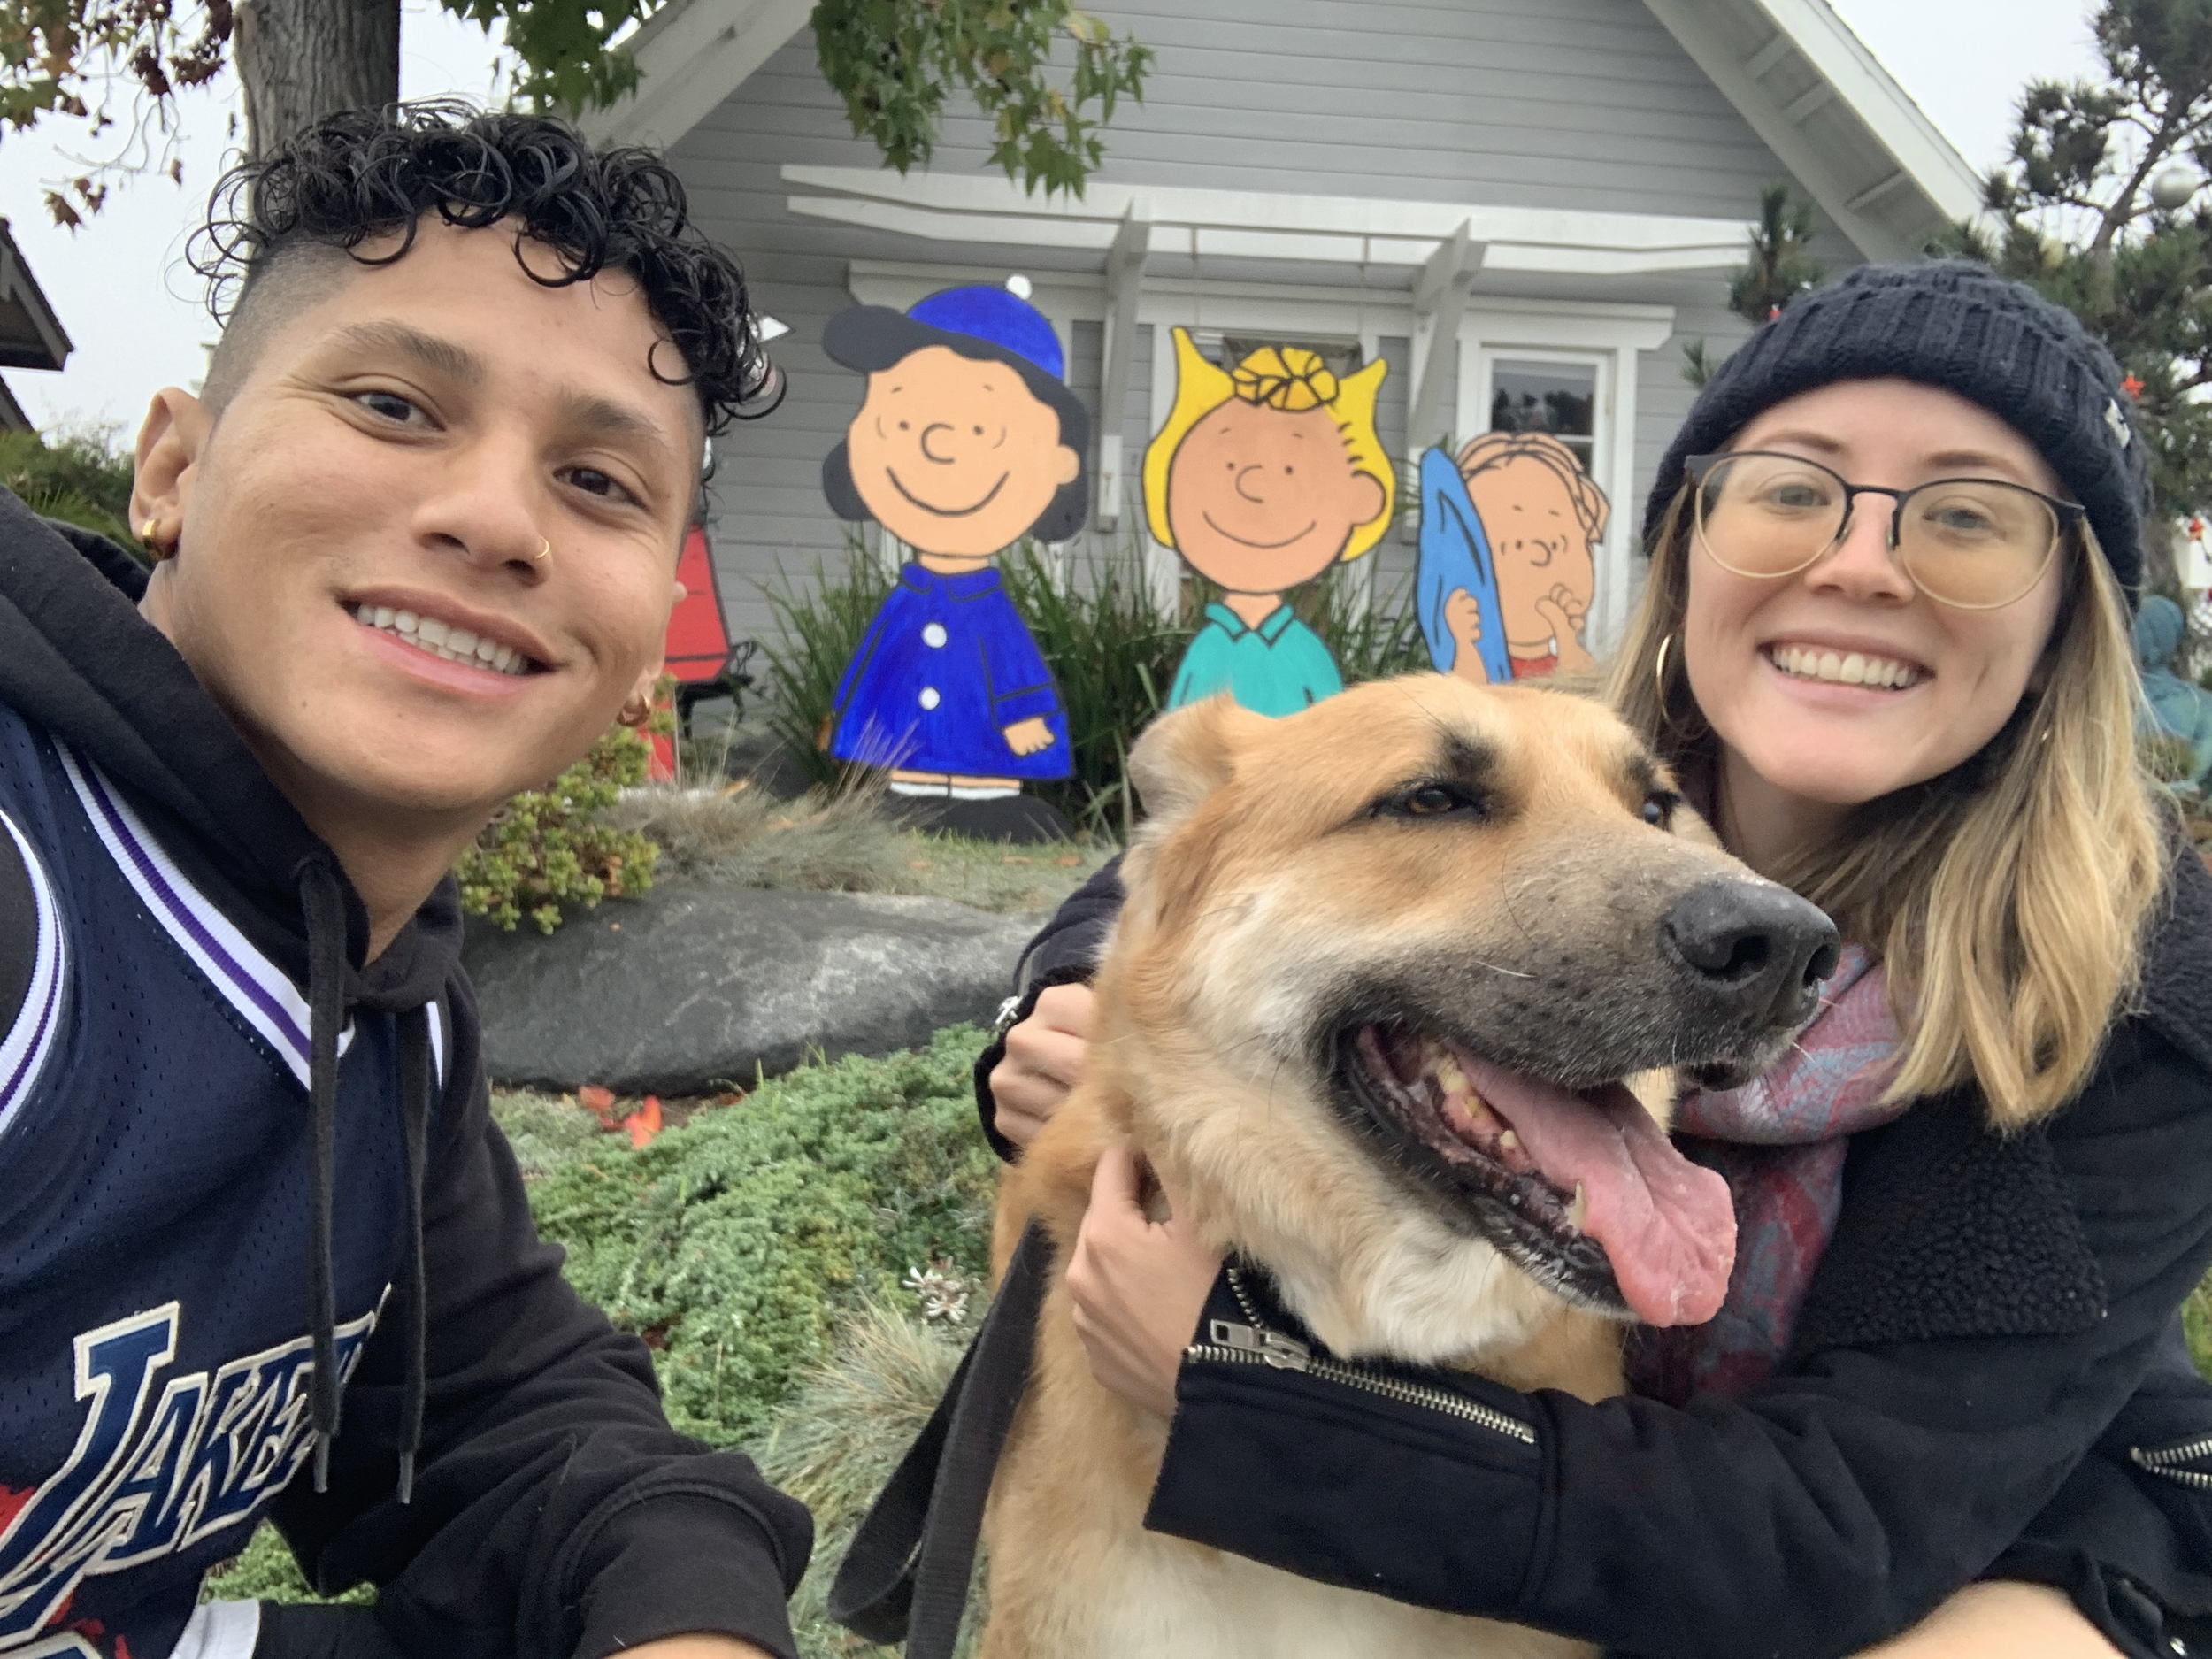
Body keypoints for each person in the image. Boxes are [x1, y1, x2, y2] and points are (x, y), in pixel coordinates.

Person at [973, 262, 2212, 1657]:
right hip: (1571, 1469)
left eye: (1969, 517)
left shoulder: (2141, 988)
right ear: (1692, 545)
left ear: (2067, 618)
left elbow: (1836, 1532)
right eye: (1796, 487)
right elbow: (1235, 828)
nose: (1861, 561)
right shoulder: (1602, 751)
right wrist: (1069, 988)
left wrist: (1241, 1393)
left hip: (1945, 1533)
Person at [0, 104, 810, 1659]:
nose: (498, 520)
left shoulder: (382, 1007)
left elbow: (506, 1422)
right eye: (390, 403)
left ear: (647, 634)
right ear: (172, 468)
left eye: (599, 484)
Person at [820, 279, 1083, 801]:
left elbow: (1013, 660)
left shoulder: (989, 610)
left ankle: (983, 794)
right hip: (901, 756)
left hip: (987, 752)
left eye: (982, 431)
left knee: (984, 787)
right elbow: (877, 657)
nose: (936, 445)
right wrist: (842, 713)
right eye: (902, 419)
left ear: (1058, 462)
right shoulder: (905, 602)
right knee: (903, 789)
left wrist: (1023, 714)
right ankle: (911, 788)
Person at [1146, 328, 1394, 716]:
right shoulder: (1209, 649)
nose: (1255, 485)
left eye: (1293, 469)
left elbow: (1331, 737)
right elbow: (1174, 741)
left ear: (1359, 500)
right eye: (1229, 465)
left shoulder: (1304, 651)